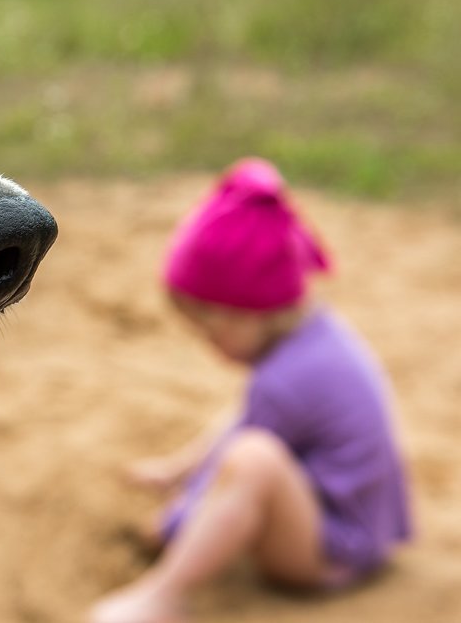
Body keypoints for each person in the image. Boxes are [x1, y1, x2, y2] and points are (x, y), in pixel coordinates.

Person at [89, 158, 412, 623]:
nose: (208, 347)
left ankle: (165, 592)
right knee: (251, 436)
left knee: (253, 458)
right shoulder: (315, 336)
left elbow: (233, 464)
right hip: (363, 526)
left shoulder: (284, 383)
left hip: (335, 552)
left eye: (209, 332)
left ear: (247, 314)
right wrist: (178, 469)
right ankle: (177, 509)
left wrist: (172, 526)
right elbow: (245, 419)